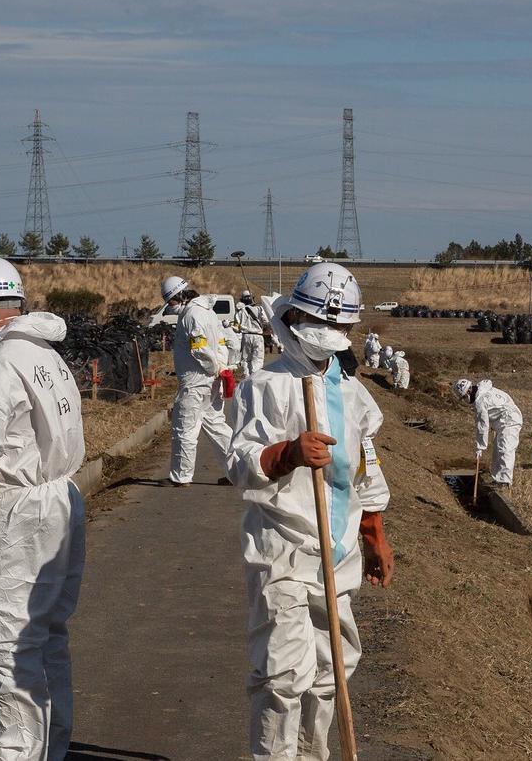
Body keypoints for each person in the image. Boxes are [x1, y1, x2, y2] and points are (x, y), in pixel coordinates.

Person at [226, 263, 394, 761]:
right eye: (323, 326)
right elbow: (240, 464)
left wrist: (374, 536)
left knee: (330, 673)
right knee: (282, 675)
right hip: (283, 548)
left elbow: (365, 472)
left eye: (340, 330)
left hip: (337, 553)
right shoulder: (266, 386)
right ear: (295, 318)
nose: (330, 338)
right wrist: (289, 454)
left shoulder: (355, 396)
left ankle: (312, 755)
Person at [0, 258, 86, 761]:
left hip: (12, 515)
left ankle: (13, 751)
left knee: (2, 641)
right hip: (57, 502)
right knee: (45, 635)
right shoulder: (45, 354)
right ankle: (50, 747)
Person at [163, 275, 234, 486]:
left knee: (184, 428)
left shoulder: (191, 315)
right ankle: (237, 470)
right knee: (218, 428)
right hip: (210, 381)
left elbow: (200, 348)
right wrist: (220, 368)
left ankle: (181, 476)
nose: (170, 307)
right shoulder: (207, 311)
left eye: (171, 302)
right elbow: (221, 342)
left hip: (195, 382)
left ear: (180, 296)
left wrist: (212, 368)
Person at [452, 377, 522, 487]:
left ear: (468, 392)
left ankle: (505, 481)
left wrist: (480, 447)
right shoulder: (486, 389)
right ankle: (497, 479)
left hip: (510, 420)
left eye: (464, 397)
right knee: (497, 451)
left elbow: (482, 426)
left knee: (505, 449)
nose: (465, 400)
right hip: (504, 421)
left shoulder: (480, 402)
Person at [235, 289, 270, 378]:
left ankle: (246, 378)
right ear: (252, 298)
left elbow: (236, 327)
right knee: (257, 359)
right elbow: (266, 322)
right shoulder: (259, 308)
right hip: (258, 336)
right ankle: (255, 378)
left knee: (245, 360)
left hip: (245, 336)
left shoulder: (239, 311)